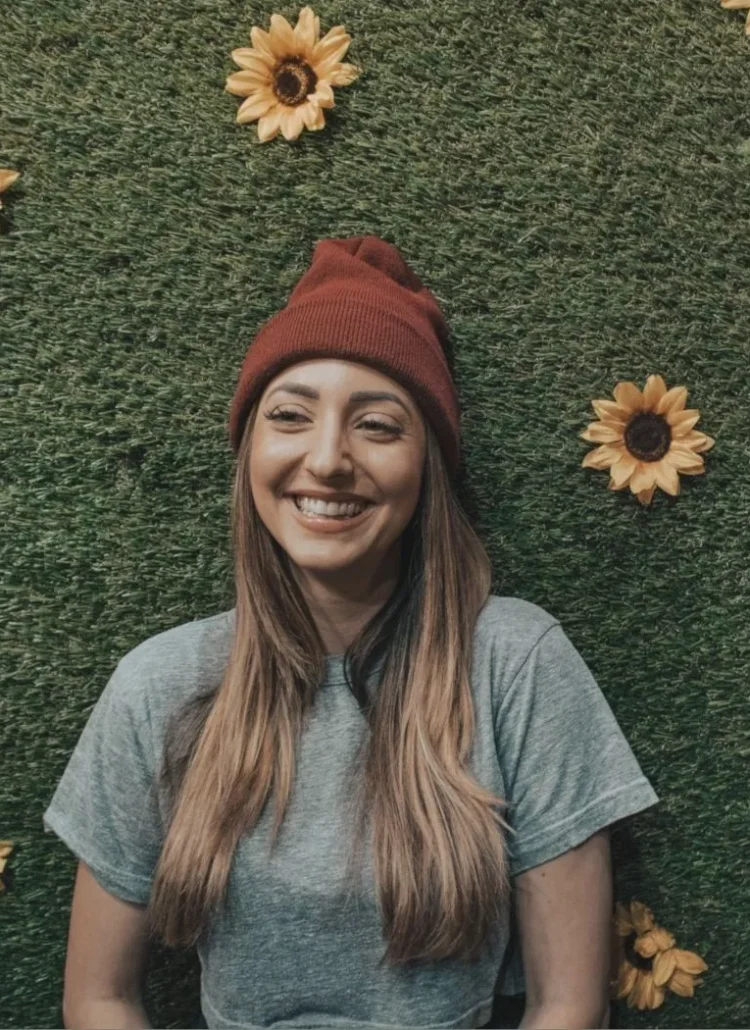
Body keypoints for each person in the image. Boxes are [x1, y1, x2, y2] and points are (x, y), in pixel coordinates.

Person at [43, 234, 659, 1030]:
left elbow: (570, 1008)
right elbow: (98, 999)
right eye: (291, 416)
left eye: (377, 425)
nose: (328, 459)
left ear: (427, 466)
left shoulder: (518, 663)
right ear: (251, 450)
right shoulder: (156, 684)